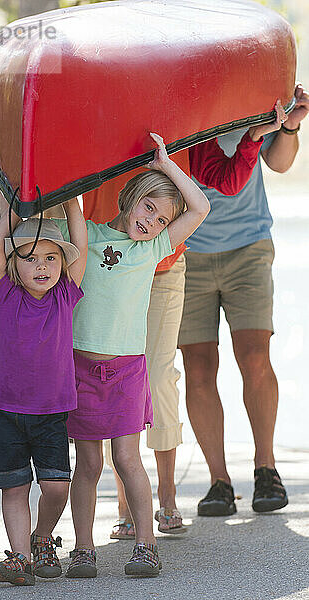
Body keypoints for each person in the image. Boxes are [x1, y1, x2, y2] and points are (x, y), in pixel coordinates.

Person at [82, 101, 287, 537]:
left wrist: (249, 137)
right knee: (116, 374)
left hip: (164, 264)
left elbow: (225, 181)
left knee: (157, 375)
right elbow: (59, 177)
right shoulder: (98, 111)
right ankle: (126, 504)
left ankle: (169, 497)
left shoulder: (189, 120)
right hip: (106, 259)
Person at [52, 132, 210, 578]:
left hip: (125, 371)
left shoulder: (153, 250)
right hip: (81, 369)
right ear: (129, 198)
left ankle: (146, 545)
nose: (152, 222)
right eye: (148, 208)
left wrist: (165, 165)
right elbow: (44, 215)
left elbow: (200, 208)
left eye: (161, 220)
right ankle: (83, 548)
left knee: (126, 459)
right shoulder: (85, 235)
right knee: (87, 463)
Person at [178, 83, 309, 516]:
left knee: (254, 355)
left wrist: (288, 129)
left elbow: (279, 162)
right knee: (199, 365)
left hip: (248, 246)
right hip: (187, 251)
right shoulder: (178, 95)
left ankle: (265, 469)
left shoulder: (246, 87)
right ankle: (218, 481)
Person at [0, 156, 88, 586]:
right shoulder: (5, 295)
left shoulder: (66, 295)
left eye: (49, 257)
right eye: (28, 258)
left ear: (62, 263)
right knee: (14, 488)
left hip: (51, 411)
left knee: (57, 487)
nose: (41, 266)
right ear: (13, 266)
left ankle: (43, 537)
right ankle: (21, 558)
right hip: (4, 410)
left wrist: (73, 194)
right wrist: (12, 193)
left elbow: (79, 238)